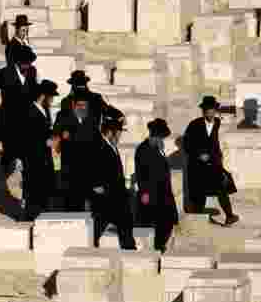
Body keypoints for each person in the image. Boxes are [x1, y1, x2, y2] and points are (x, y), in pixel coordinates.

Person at [183, 96, 239, 225]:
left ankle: (229, 215)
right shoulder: (195, 124)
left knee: (222, 188)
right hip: (198, 165)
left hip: (214, 163)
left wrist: (218, 157)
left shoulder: (217, 123)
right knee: (199, 192)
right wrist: (198, 155)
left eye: (212, 110)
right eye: (207, 110)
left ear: (215, 111)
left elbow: (214, 142)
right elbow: (187, 144)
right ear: (203, 111)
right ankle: (198, 218)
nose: (209, 112)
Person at [0, 45, 38, 175]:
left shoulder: (32, 71)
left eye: (29, 63)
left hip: (26, 115)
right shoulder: (6, 73)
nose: (27, 66)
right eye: (25, 63)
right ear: (18, 62)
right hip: (10, 116)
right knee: (9, 148)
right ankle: (5, 171)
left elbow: (34, 88)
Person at [90, 106, 137, 249]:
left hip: (116, 196)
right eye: (118, 133)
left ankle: (129, 251)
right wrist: (96, 185)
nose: (120, 136)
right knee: (98, 228)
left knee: (124, 226)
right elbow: (92, 167)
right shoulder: (100, 146)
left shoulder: (111, 146)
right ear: (110, 133)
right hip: (106, 198)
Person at [135, 118, 179, 252]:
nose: (162, 140)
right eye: (160, 137)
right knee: (159, 222)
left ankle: (159, 246)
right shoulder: (143, 149)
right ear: (154, 136)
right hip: (152, 193)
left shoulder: (158, 148)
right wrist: (144, 192)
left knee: (169, 220)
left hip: (164, 192)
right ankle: (158, 247)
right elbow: (140, 173)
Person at [53, 87, 99, 212]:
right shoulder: (63, 117)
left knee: (87, 205)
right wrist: (63, 137)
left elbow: (95, 141)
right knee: (70, 203)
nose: (83, 108)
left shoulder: (92, 119)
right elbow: (56, 137)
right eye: (80, 105)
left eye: (85, 105)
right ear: (73, 105)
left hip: (87, 169)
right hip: (69, 169)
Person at [23, 79, 59, 220]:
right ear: (43, 96)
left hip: (44, 160)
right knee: (35, 197)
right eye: (50, 98)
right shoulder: (31, 112)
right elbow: (28, 139)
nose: (51, 102)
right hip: (35, 162)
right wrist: (46, 142)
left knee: (43, 196)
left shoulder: (43, 111)